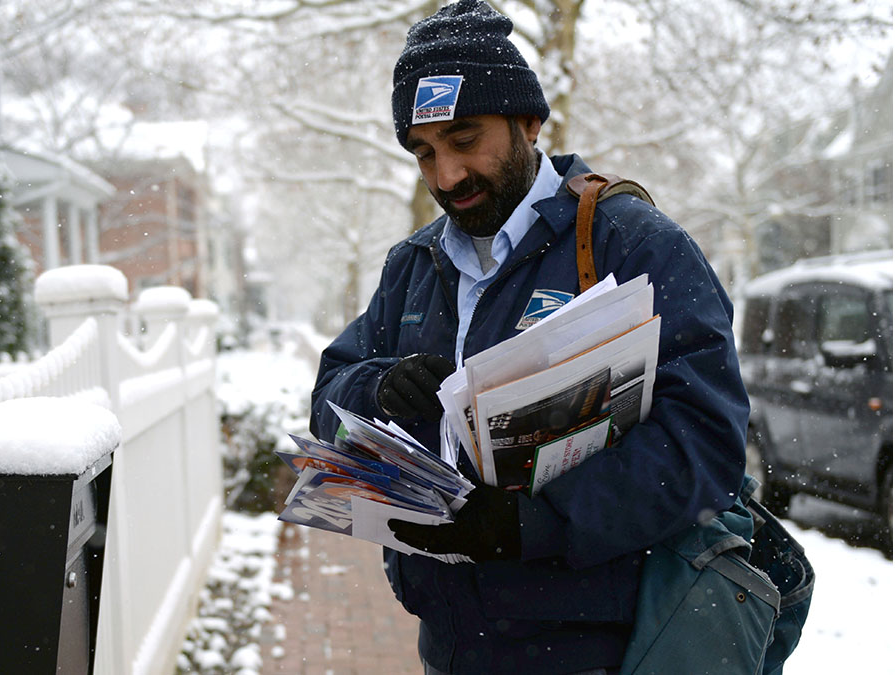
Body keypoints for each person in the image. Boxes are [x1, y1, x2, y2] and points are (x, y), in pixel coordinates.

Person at [308, 1, 750, 673]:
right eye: (424, 153)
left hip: (595, 647)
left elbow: (706, 439)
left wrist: (536, 523)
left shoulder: (631, 243)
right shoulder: (412, 265)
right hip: (449, 642)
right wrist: (376, 388)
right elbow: (327, 403)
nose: (446, 176)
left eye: (464, 140)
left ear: (529, 122)